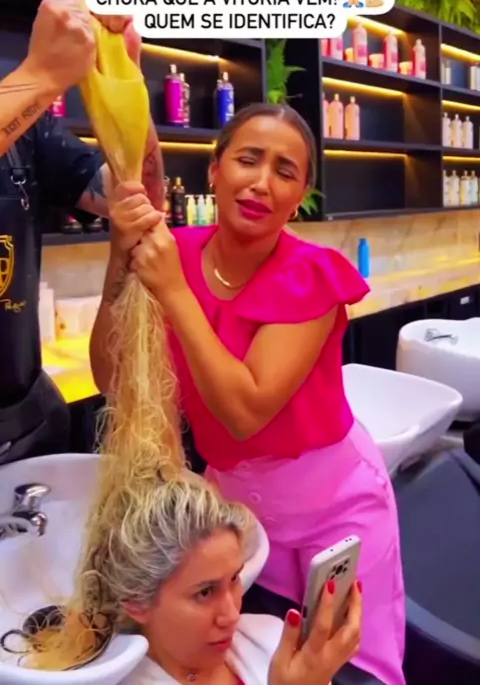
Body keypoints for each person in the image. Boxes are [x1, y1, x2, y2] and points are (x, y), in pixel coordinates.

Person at [90, 103, 406, 685]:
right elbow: (111, 377)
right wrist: (119, 254)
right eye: (248, 160)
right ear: (215, 171)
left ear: (300, 195)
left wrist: (174, 291)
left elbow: (245, 412)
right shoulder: (176, 252)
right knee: (257, 649)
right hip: (240, 511)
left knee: (346, 658)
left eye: (285, 172)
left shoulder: (311, 275)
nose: (262, 182)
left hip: (336, 506)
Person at [0, 0, 164, 465]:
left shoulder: (28, 127)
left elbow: (139, 195)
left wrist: (125, 83)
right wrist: (41, 74)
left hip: (26, 420)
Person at [95, 473, 362, 684]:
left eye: (234, 579)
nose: (232, 615)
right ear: (138, 603)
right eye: (205, 592)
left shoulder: (271, 638)